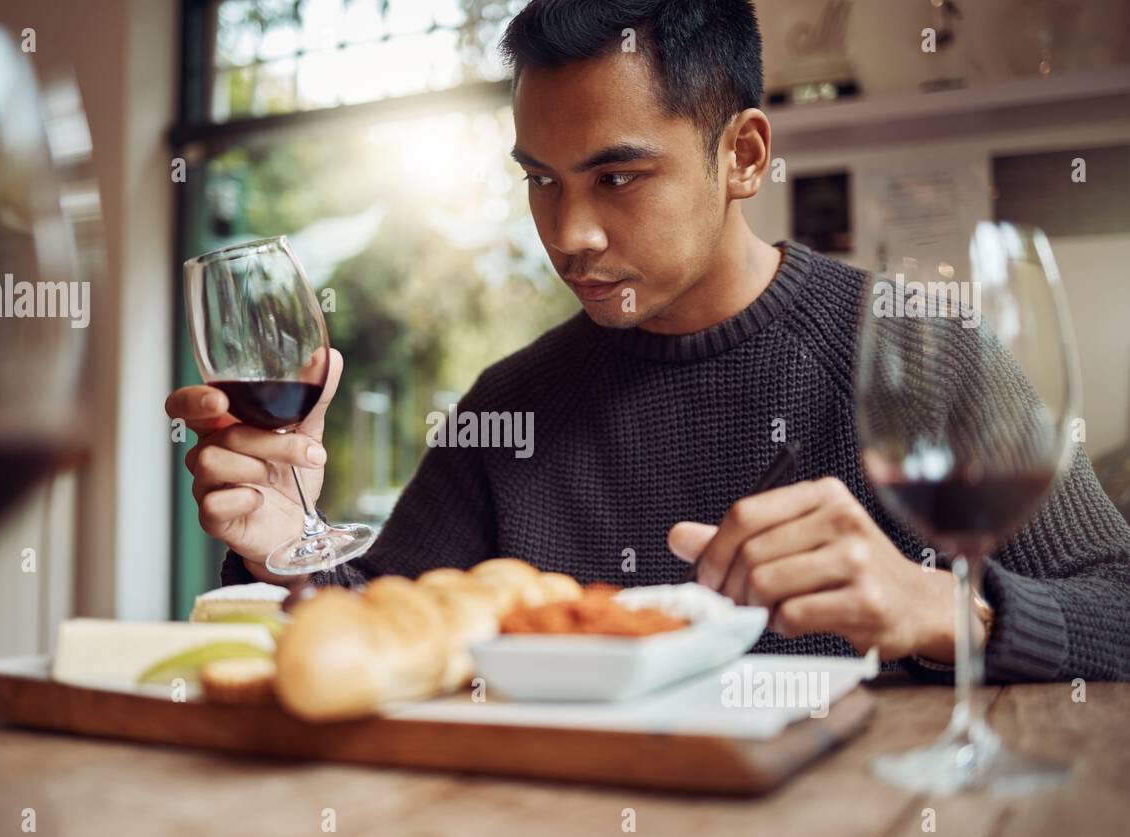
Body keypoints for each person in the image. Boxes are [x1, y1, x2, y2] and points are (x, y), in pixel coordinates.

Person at [165, 0, 1130, 682]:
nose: (569, 232)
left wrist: (941, 612)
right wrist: (283, 549)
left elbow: (1118, 607)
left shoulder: (924, 351)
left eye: (617, 177)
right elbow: (384, 622)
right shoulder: (510, 407)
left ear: (744, 155)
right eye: (541, 180)